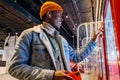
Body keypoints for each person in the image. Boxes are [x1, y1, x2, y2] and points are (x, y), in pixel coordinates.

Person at [8, 1, 102, 80]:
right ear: (49, 14)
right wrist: (51, 75)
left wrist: (93, 40)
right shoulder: (30, 35)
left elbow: (77, 57)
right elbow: (15, 68)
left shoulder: (62, 40)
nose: (61, 19)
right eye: (59, 15)